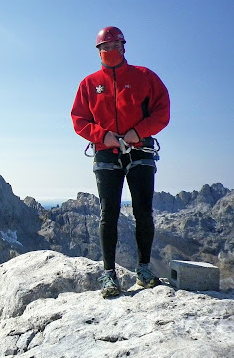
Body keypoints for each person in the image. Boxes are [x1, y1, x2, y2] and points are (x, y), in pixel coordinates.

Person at [71, 26, 170, 298]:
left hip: (140, 149)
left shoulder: (144, 77)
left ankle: (144, 269)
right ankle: (109, 275)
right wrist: (103, 136)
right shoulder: (89, 84)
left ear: (124, 48)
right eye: (105, 48)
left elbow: (162, 111)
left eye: (115, 46)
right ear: (98, 52)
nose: (110, 51)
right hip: (106, 151)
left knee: (142, 211)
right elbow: (79, 119)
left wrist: (137, 132)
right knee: (109, 214)